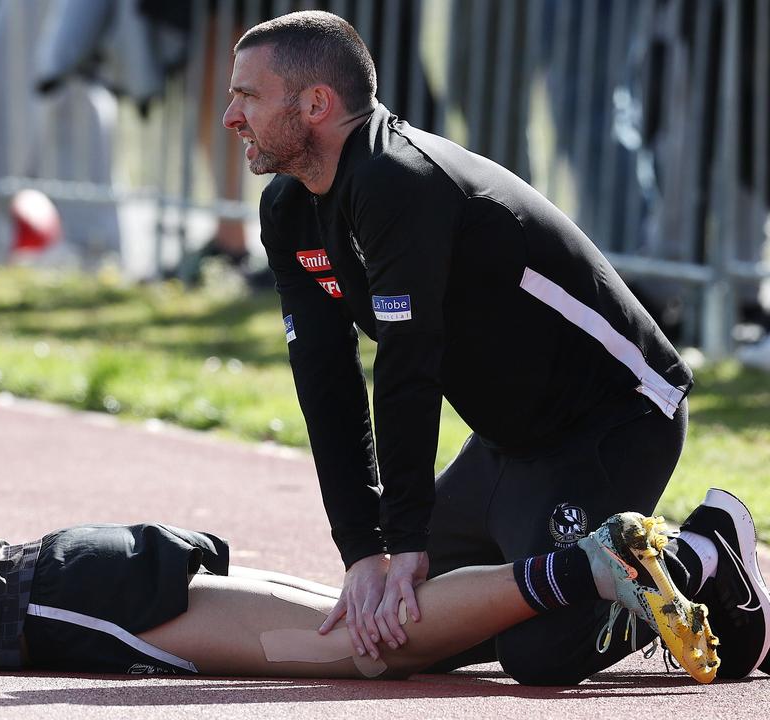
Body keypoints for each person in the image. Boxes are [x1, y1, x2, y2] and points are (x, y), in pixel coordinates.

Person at [0, 356, 728, 682]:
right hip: (69, 565)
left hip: (52, 609)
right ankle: (698, 570)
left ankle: (579, 575)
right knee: (379, 625)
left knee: (370, 651)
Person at [221, 10, 770, 684]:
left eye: (246, 95)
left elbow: (406, 369)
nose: (231, 117)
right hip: (507, 447)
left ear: (315, 103)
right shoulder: (287, 207)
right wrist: (365, 549)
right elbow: (325, 378)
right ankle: (677, 579)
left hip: (617, 417)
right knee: (392, 636)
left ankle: (700, 553)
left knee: (538, 655)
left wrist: (407, 541)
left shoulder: (398, 178)